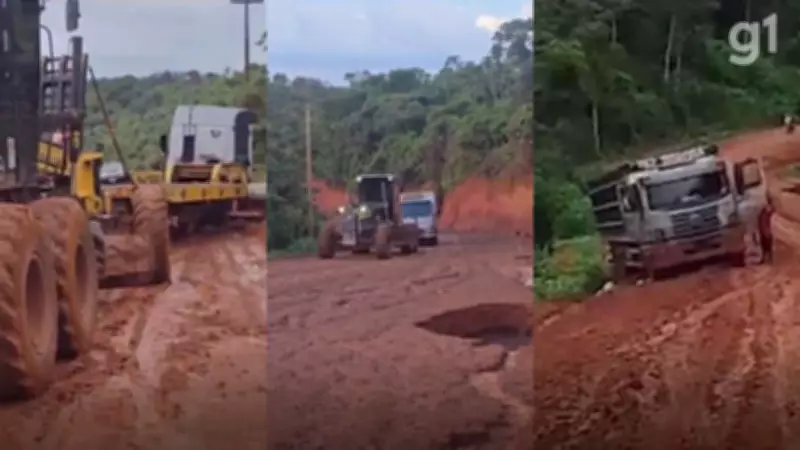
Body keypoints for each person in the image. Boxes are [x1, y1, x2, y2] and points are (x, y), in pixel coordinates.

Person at [758, 196, 775, 262]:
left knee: (766, 246)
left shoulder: (767, 212)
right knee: (765, 246)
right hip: (764, 231)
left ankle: (768, 258)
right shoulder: (765, 212)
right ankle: (767, 258)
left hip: (766, 231)